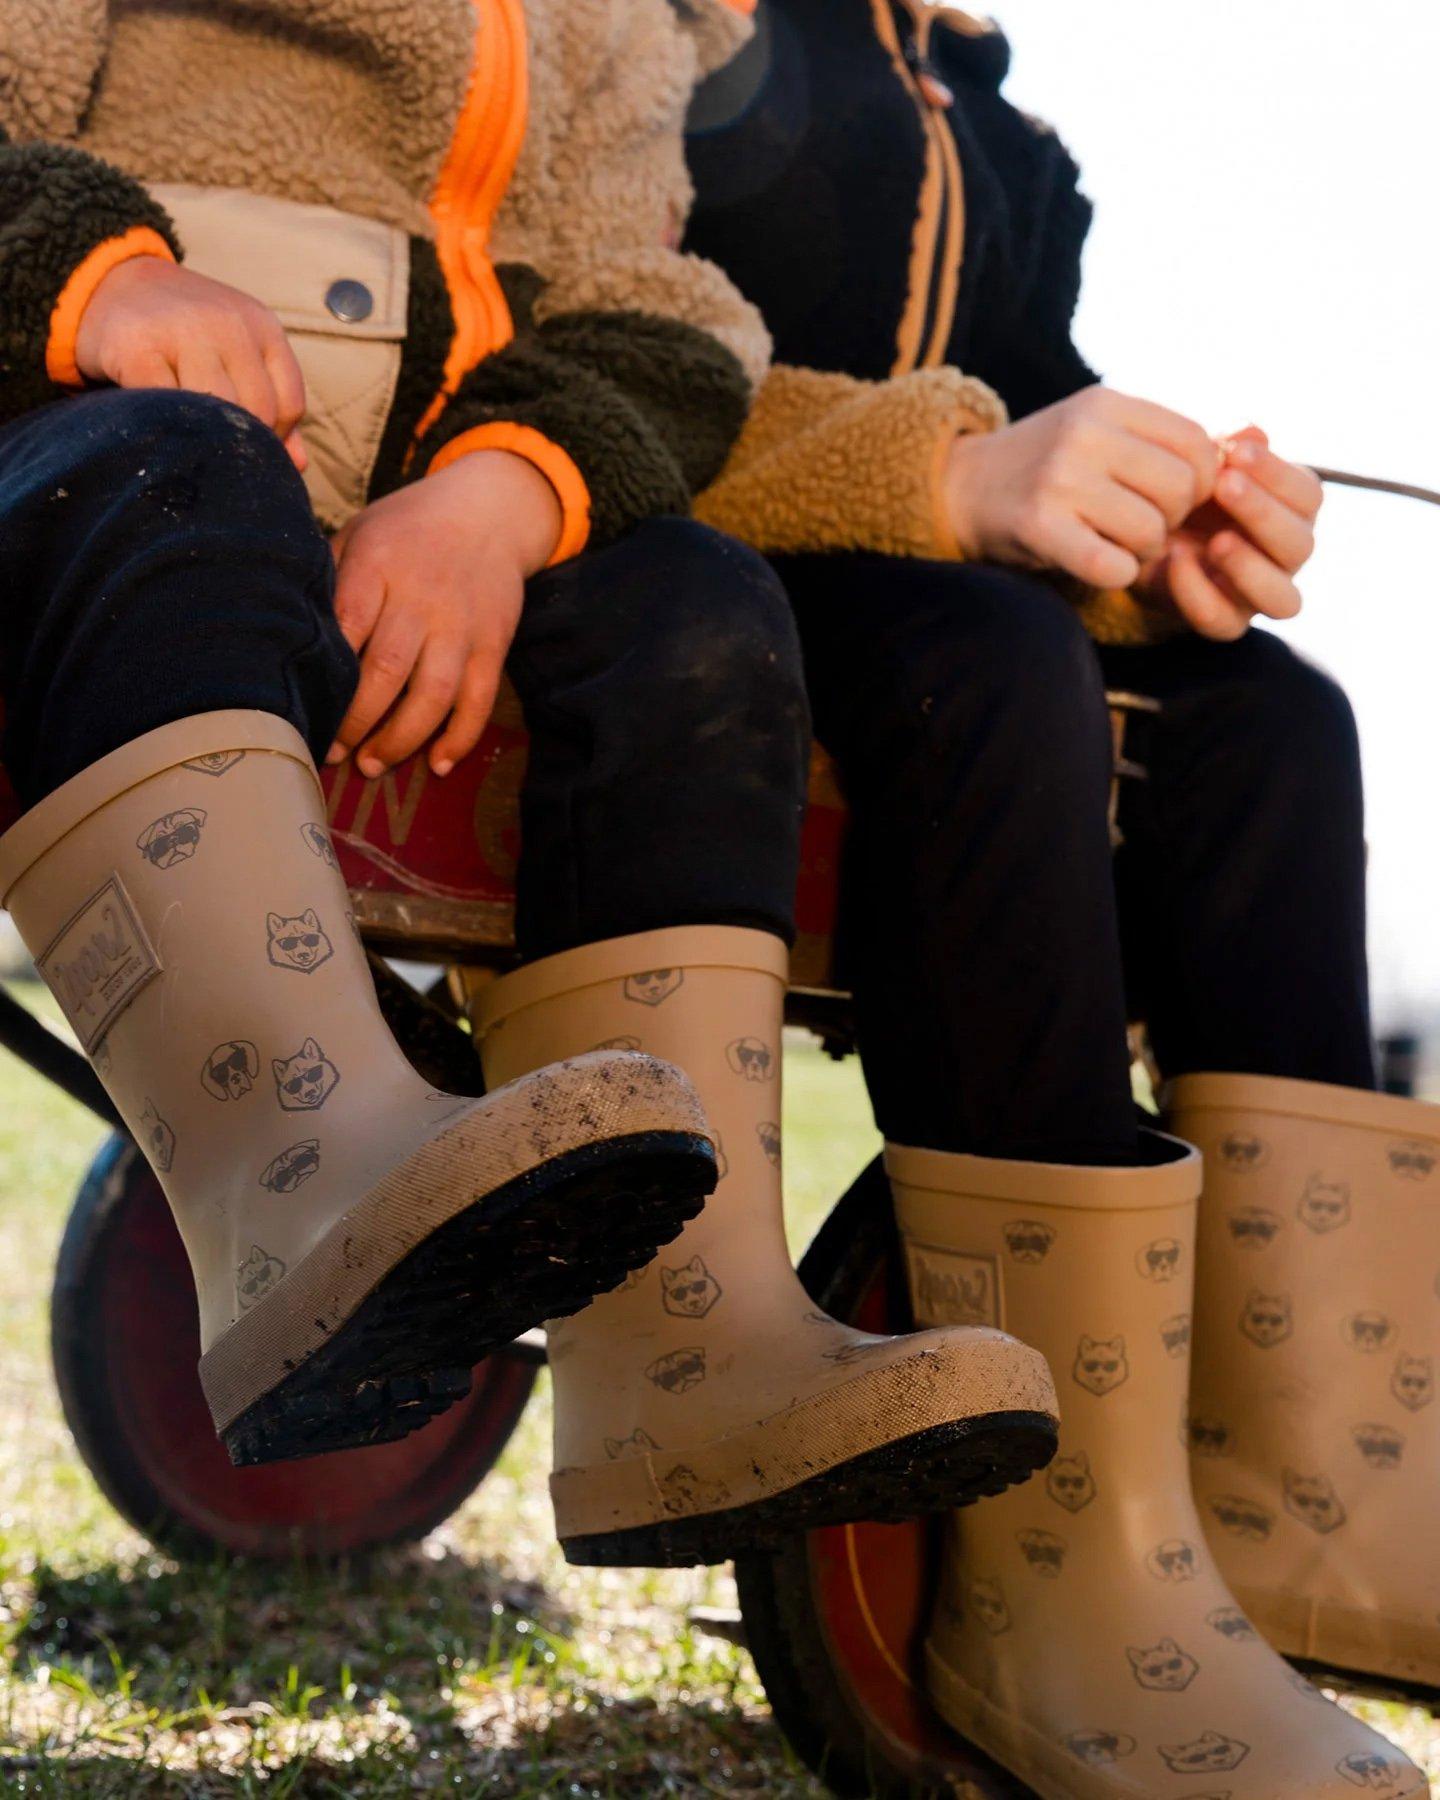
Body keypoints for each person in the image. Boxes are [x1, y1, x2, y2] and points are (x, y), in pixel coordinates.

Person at [0, 0, 1059, 1539]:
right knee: (175, 469)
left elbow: (650, 299)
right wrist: (101, 278)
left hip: (399, 523)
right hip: (75, 437)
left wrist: (499, 494)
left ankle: (696, 1350)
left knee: (692, 604)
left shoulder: (621, 22)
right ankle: (296, 1173)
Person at [679, 4, 1436, 1793]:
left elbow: (1028, 425)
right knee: (988, 661)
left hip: (947, 592)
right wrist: (953, 487)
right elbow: (605, 361)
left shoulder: (999, 135)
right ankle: (1052, 1564)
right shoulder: (673, 47)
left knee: (1269, 723)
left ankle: (1309, 1490)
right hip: (688, 569)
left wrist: (1137, 549)